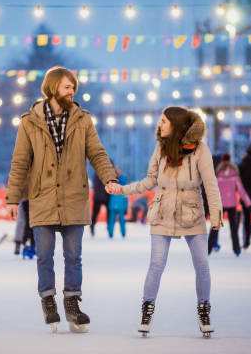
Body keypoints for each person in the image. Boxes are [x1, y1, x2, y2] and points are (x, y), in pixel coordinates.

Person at [6, 66, 117, 333]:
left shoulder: (83, 120)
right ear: (54, 87)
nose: (72, 91)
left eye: (73, 87)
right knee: (44, 255)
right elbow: (20, 162)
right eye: (68, 87)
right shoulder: (29, 122)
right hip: (42, 197)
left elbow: (98, 154)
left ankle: (72, 304)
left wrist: (109, 178)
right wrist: (12, 198)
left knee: (73, 256)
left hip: (74, 196)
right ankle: (48, 301)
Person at [107, 106, 222, 338]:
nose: (160, 125)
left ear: (177, 125)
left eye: (164, 121)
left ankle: (204, 308)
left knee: (202, 264)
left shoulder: (200, 150)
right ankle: (147, 309)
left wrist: (216, 215)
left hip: (192, 212)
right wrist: (122, 189)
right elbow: (150, 181)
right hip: (162, 211)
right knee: (156, 264)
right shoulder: (160, 149)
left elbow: (210, 184)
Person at [208, 153, 251, 257]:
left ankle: (208, 250)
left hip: (220, 205)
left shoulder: (217, 174)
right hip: (232, 205)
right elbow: (242, 191)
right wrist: (248, 204)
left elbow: (212, 191)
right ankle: (236, 249)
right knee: (234, 229)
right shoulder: (235, 175)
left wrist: (210, 203)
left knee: (215, 227)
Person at [107, 165, 128, 239]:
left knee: (121, 220)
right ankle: (110, 234)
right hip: (113, 204)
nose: (118, 172)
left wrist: (126, 207)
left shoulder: (122, 181)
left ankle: (123, 234)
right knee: (112, 220)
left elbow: (126, 196)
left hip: (120, 204)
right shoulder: (112, 181)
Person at [90, 171, 110, 236]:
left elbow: (95, 184)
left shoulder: (97, 173)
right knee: (108, 212)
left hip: (98, 196)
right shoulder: (108, 173)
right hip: (104, 196)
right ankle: (108, 227)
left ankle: (92, 226)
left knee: (95, 213)